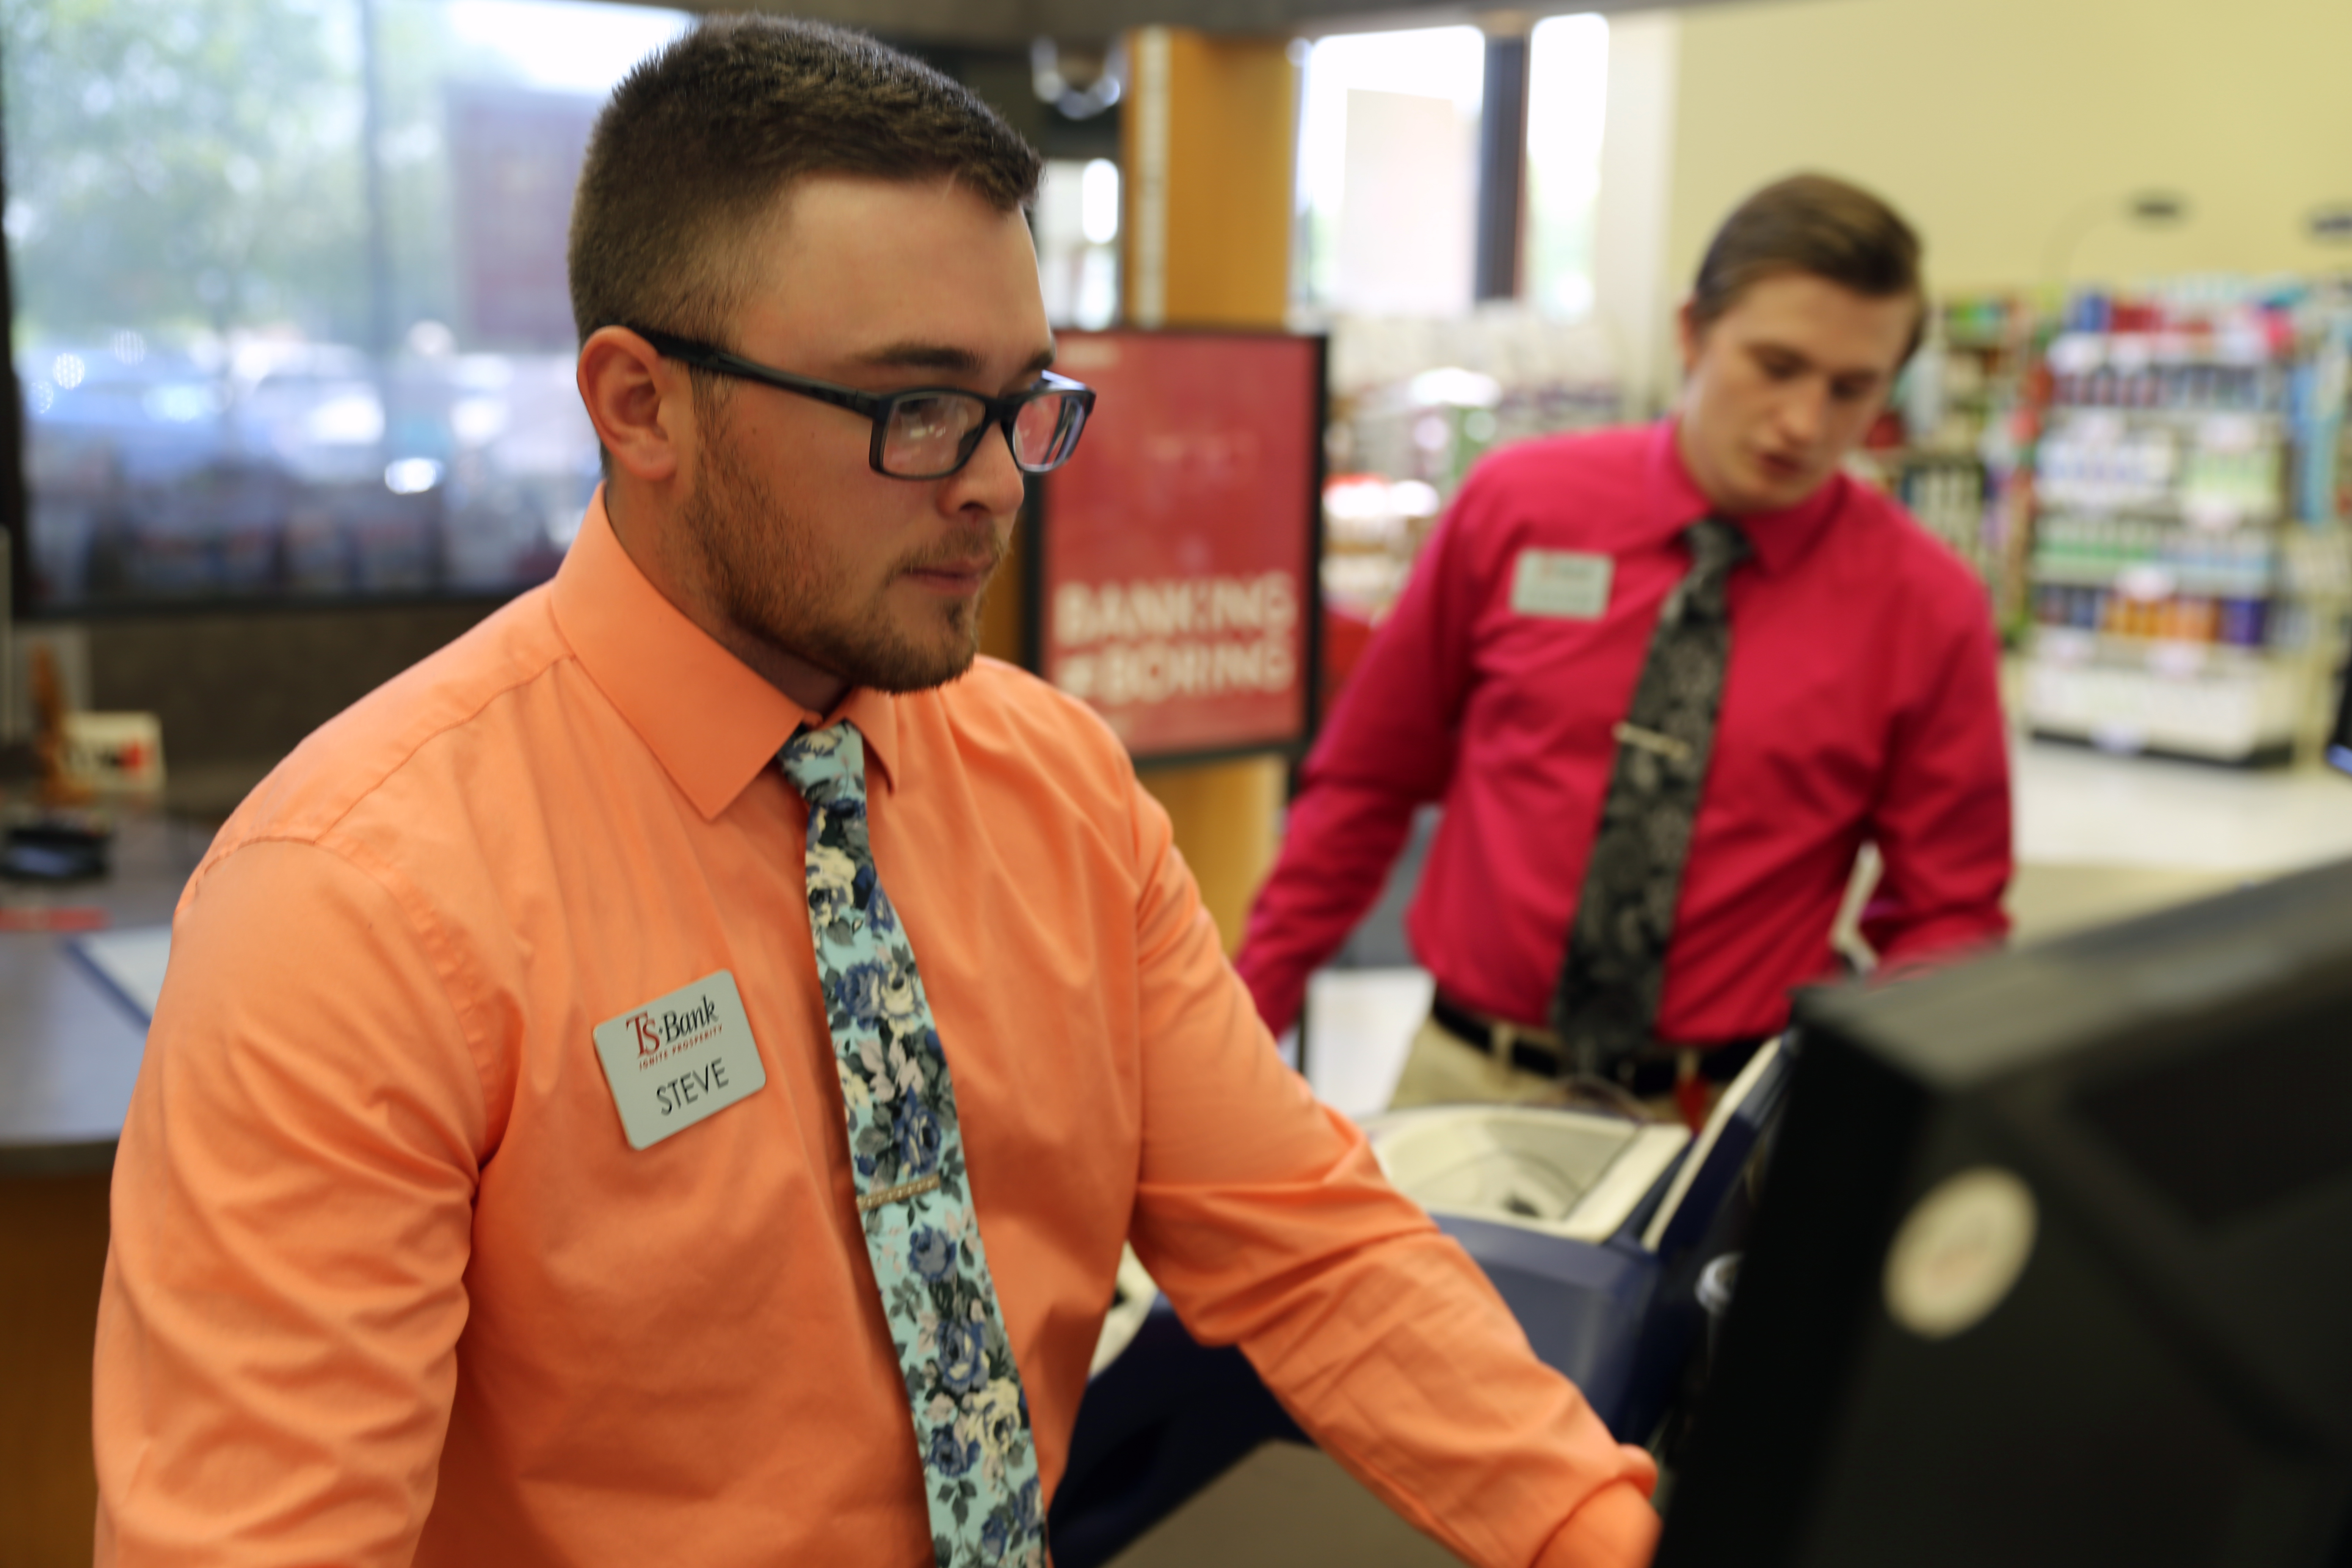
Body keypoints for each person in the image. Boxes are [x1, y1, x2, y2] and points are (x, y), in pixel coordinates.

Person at [91, 19, 1660, 1568]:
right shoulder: (355, 898)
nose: (989, 480)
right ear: (640, 404)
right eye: (914, 407)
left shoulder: (1059, 788)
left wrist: (1601, 1527)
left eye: (1020, 402)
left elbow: (1309, 1252)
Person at [1236, 174, 2012, 1115]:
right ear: (1693, 331)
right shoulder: (1517, 507)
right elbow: (1367, 783)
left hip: (1725, 1116)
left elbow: (1949, 911)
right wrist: (1241, 1026)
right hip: (1469, 1080)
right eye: (1775, 365)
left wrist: (1880, 1120)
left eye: (1853, 389)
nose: (1806, 423)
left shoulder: (1926, 605)